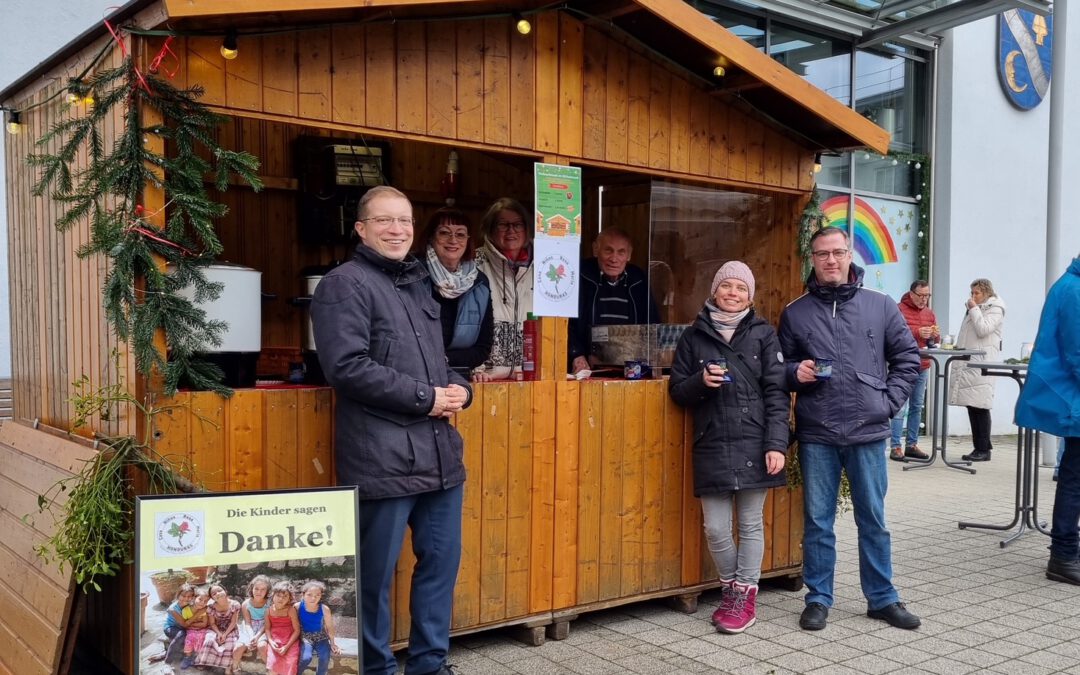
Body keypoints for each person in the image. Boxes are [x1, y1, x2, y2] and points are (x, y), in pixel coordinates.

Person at [311, 185, 471, 675]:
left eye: (404, 220)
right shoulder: (344, 284)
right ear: (361, 228)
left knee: (439, 570)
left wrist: (460, 388)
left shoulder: (419, 283)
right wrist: (429, 399)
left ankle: (429, 665)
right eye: (385, 221)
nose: (397, 230)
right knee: (373, 580)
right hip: (380, 459)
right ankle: (375, 669)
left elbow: (437, 363)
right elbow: (348, 368)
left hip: (440, 459)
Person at [778, 226, 921, 632]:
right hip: (818, 431)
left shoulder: (881, 306)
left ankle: (882, 598)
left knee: (873, 519)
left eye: (838, 252)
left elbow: (908, 358)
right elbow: (776, 369)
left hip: (868, 430)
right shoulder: (796, 311)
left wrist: (888, 404)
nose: (831, 260)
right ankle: (818, 598)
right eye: (822, 254)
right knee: (818, 521)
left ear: (849, 256)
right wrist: (794, 372)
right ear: (813, 259)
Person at [668, 261, 787, 634]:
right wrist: (701, 381)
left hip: (756, 439)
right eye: (727, 286)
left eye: (741, 288)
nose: (733, 294)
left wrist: (776, 445)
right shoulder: (693, 337)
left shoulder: (765, 334)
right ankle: (730, 587)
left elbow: (777, 393)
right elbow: (677, 392)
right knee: (716, 528)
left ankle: (743, 597)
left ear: (750, 296)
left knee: (751, 524)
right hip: (712, 441)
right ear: (714, 291)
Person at [1015, 255, 1080, 585]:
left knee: (1074, 475)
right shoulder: (1074, 290)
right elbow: (1078, 353)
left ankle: (1069, 550)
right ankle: (1064, 554)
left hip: (1073, 399)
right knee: (1074, 477)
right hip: (1073, 399)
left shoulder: (1071, 285)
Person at [569, 228, 660, 374]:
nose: (614, 258)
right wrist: (576, 354)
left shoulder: (638, 280)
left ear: (629, 255)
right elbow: (565, 323)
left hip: (631, 370)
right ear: (595, 250)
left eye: (621, 252)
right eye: (608, 250)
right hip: (586, 369)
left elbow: (652, 325)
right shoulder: (580, 276)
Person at [420, 208, 495, 380]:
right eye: (444, 233)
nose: (453, 240)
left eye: (460, 234)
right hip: (416, 376)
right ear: (431, 237)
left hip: (457, 378)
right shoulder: (413, 275)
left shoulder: (479, 282)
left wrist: (445, 360)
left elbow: (483, 347)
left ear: (468, 240)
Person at [474, 197, 533, 379]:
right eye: (503, 225)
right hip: (484, 376)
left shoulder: (544, 267)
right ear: (490, 229)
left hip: (528, 376)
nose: (511, 231)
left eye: (518, 225)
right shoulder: (474, 263)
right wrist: (475, 368)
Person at [948, 278, 1006, 462]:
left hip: (981, 363)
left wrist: (973, 309)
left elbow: (983, 329)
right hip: (969, 363)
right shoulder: (979, 309)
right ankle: (982, 446)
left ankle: (982, 449)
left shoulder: (995, 309)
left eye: (977, 293)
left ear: (987, 293)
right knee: (972, 405)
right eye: (972, 293)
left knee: (979, 406)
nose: (973, 296)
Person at [889, 280, 939, 461]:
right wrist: (918, 332)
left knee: (917, 406)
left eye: (927, 296)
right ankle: (895, 446)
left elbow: (935, 338)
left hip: (923, 365)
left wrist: (934, 334)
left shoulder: (929, 313)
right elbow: (894, 332)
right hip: (902, 365)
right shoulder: (898, 309)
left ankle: (911, 444)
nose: (924, 299)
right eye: (921, 295)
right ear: (911, 294)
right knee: (899, 406)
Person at [295, 581, 340, 675]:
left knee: (324, 657)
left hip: (321, 637)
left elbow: (330, 627)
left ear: (321, 596)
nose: (313, 598)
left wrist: (333, 643)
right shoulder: (297, 606)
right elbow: (292, 624)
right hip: (305, 637)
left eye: (317, 595)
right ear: (303, 594)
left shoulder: (324, 609)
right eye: (309, 595)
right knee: (305, 658)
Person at [194, 585, 241, 673]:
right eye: (214, 594)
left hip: (230, 629)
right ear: (212, 598)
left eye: (219, 590)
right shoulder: (211, 607)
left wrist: (225, 634)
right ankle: (205, 662)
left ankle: (227, 668)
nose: (217, 594)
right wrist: (219, 634)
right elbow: (212, 623)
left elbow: (233, 622)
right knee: (209, 640)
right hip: (216, 628)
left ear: (225, 591)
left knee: (230, 644)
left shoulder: (235, 604)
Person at [233, 574, 271, 670]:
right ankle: (234, 668)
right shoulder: (246, 604)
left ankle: (271, 669)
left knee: (262, 646)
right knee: (238, 648)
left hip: (265, 627)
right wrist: (251, 637)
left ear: (267, 591)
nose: (259, 592)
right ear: (251, 588)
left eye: (263, 589)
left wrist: (257, 637)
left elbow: (267, 623)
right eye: (256, 588)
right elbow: (247, 623)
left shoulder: (269, 603)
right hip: (250, 628)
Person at [264, 581, 301, 675]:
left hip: (290, 640)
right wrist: (271, 642)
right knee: (273, 664)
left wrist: (287, 646)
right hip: (275, 639)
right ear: (273, 596)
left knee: (291, 662)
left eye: (285, 596)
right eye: (278, 595)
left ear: (289, 599)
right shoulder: (268, 611)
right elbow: (267, 629)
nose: (281, 599)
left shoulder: (290, 610)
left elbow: (297, 630)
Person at [160, 583, 196, 664]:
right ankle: (167, 662)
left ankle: (166, 653)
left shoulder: (191, 604)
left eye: (189, 596)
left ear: (193, 597)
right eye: (183, 596)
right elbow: (184, 624)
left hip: (183, 627)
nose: (186, 599)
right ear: (178, 595)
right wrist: (198, 614)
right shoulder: (173, 609)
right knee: (182, 635)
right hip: (170, 627)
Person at [179, 589, 212, 670]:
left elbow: (204, 624)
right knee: (190, 637)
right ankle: (188, 658)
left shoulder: (204, 610)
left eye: (205, 601)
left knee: (202, 637)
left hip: (203, 629)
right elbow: (185, 625)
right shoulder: (186, 610)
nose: (202, 603)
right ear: (194, 598)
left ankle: (200, 658)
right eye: (200, 599)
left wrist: (190, 624)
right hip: (191, 630)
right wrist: (191, 625)